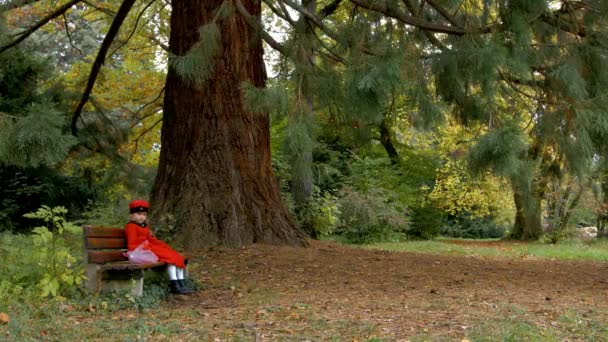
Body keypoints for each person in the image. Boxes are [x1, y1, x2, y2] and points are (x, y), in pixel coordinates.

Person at [125, 199, 194, 295]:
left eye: (144, 215)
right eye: (139, 214)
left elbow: (150, 238)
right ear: (132, 215)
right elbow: (132, 244)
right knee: (170, 258)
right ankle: (175, 285)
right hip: (141, 251)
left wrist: (159, 244)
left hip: (150, 248)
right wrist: (146, 246)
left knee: (176, 256)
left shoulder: (143, 226)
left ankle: (181, 284)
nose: (142, 217)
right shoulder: (131, 226)